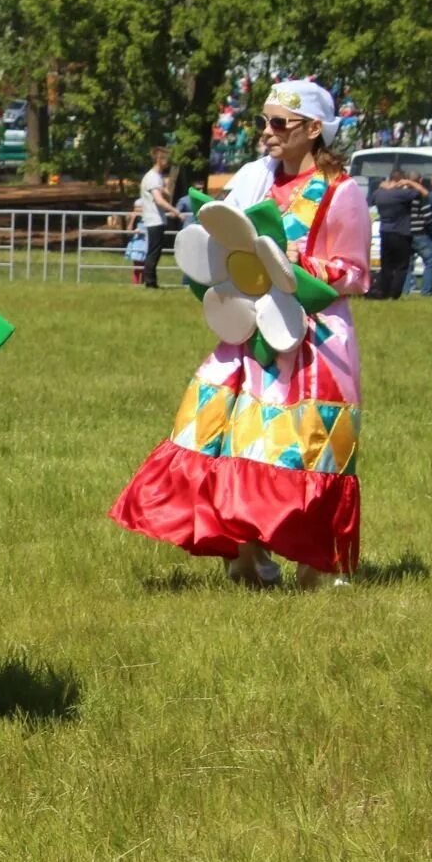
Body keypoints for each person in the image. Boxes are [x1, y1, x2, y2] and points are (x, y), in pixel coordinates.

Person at [111, 79, 370, 590]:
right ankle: (246, 555)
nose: (266, 133)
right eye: (263, 122)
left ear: (313, 130)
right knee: (223, 432)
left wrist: (302, 263)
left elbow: (358, 273)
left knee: (307, 445)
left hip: (313, 339)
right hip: (250, 333)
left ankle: (314, 567)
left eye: (279, 123)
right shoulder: (256, 181)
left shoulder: (341, 192)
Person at [370, 168, 422, 299]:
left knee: (386, 265)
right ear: (401, 180)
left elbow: (372, 199)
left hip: (384, 231)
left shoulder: (379, 193)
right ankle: (395, 294)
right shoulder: (402, 194)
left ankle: (383, 292)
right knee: (401, 266)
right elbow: (422, 193)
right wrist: (410, 183)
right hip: (401, 233)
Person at [137, 146, 181, 289]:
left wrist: (165, 190)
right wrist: (175, 211)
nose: (168, 162)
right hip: (154, 220)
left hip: (156, 219)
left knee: (154, 251)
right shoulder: (152, 178)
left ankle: (150, 281)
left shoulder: (156, 178)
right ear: (159, 159)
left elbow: (163, 194)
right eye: (166, 159)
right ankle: (150, 282)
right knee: (154, 252)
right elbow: (159, 200)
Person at [400, 171, 432, 296]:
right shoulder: (419, 195)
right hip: (420, 233)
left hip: (404, 233)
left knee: (407, 264)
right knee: (431, 260)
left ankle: (405, 291)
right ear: (420, 181)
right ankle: (426, 291)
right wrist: (430, 228)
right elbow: (427, 216)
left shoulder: (401, 195)